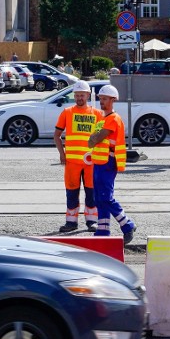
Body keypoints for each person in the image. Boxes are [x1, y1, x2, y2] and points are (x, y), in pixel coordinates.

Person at [88, 84, 137, 244]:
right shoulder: (103, 119)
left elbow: (96, 138)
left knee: (105, 197)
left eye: (105, 99)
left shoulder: (112, 119)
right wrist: (94, 138)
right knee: (100, 198)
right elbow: (91, 142)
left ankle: (127, 224)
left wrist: (94, 137)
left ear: (113, 100)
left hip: (108, 162)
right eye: (100, 99)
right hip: (99, 162)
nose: (101, 102)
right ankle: (103, 231)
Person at [54, 80, 102, 232]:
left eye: (82, 95)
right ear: (74, 96)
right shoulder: (67, 112)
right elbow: (57, 135)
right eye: (76, 95)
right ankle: (71, 222)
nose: (79, 98)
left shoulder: (97, 114)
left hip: (91, 162)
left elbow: (102, 138)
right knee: (72, 193)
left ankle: (92, 222)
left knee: (91, 193)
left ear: (88, 95)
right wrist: (62, 154)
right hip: (72, 162)